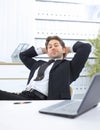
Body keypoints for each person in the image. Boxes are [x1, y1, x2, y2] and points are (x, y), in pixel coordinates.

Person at [0, 36, 91, 100]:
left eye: (56, 45)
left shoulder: (69, 67)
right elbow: (23, 55)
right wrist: (45, 49)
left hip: (40, 100)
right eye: (50, 47)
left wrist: (68, 48)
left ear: (63, 49)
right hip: (23, 95)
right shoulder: (38, 65)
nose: (53, 48)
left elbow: (85, 47)